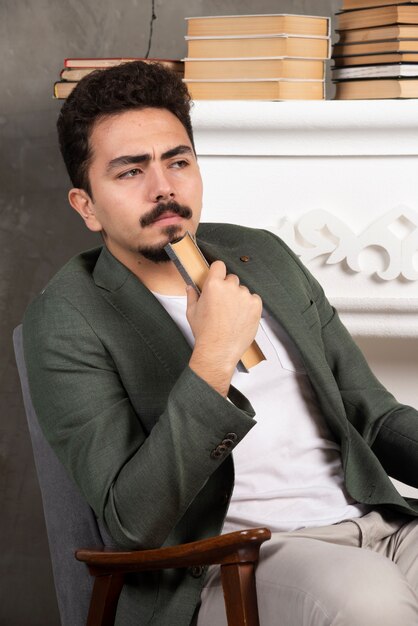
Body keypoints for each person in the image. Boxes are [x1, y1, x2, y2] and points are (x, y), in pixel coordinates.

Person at [22, 61, 418, 626]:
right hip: (234, 561)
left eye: (177, 161)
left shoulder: (264, 255)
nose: (165, 188)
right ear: (86, 205)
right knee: (367, 598)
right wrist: (211, 356)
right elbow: (133, 520)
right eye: (130, 172)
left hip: (380, 527)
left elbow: (375, 419)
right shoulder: (67, 318)